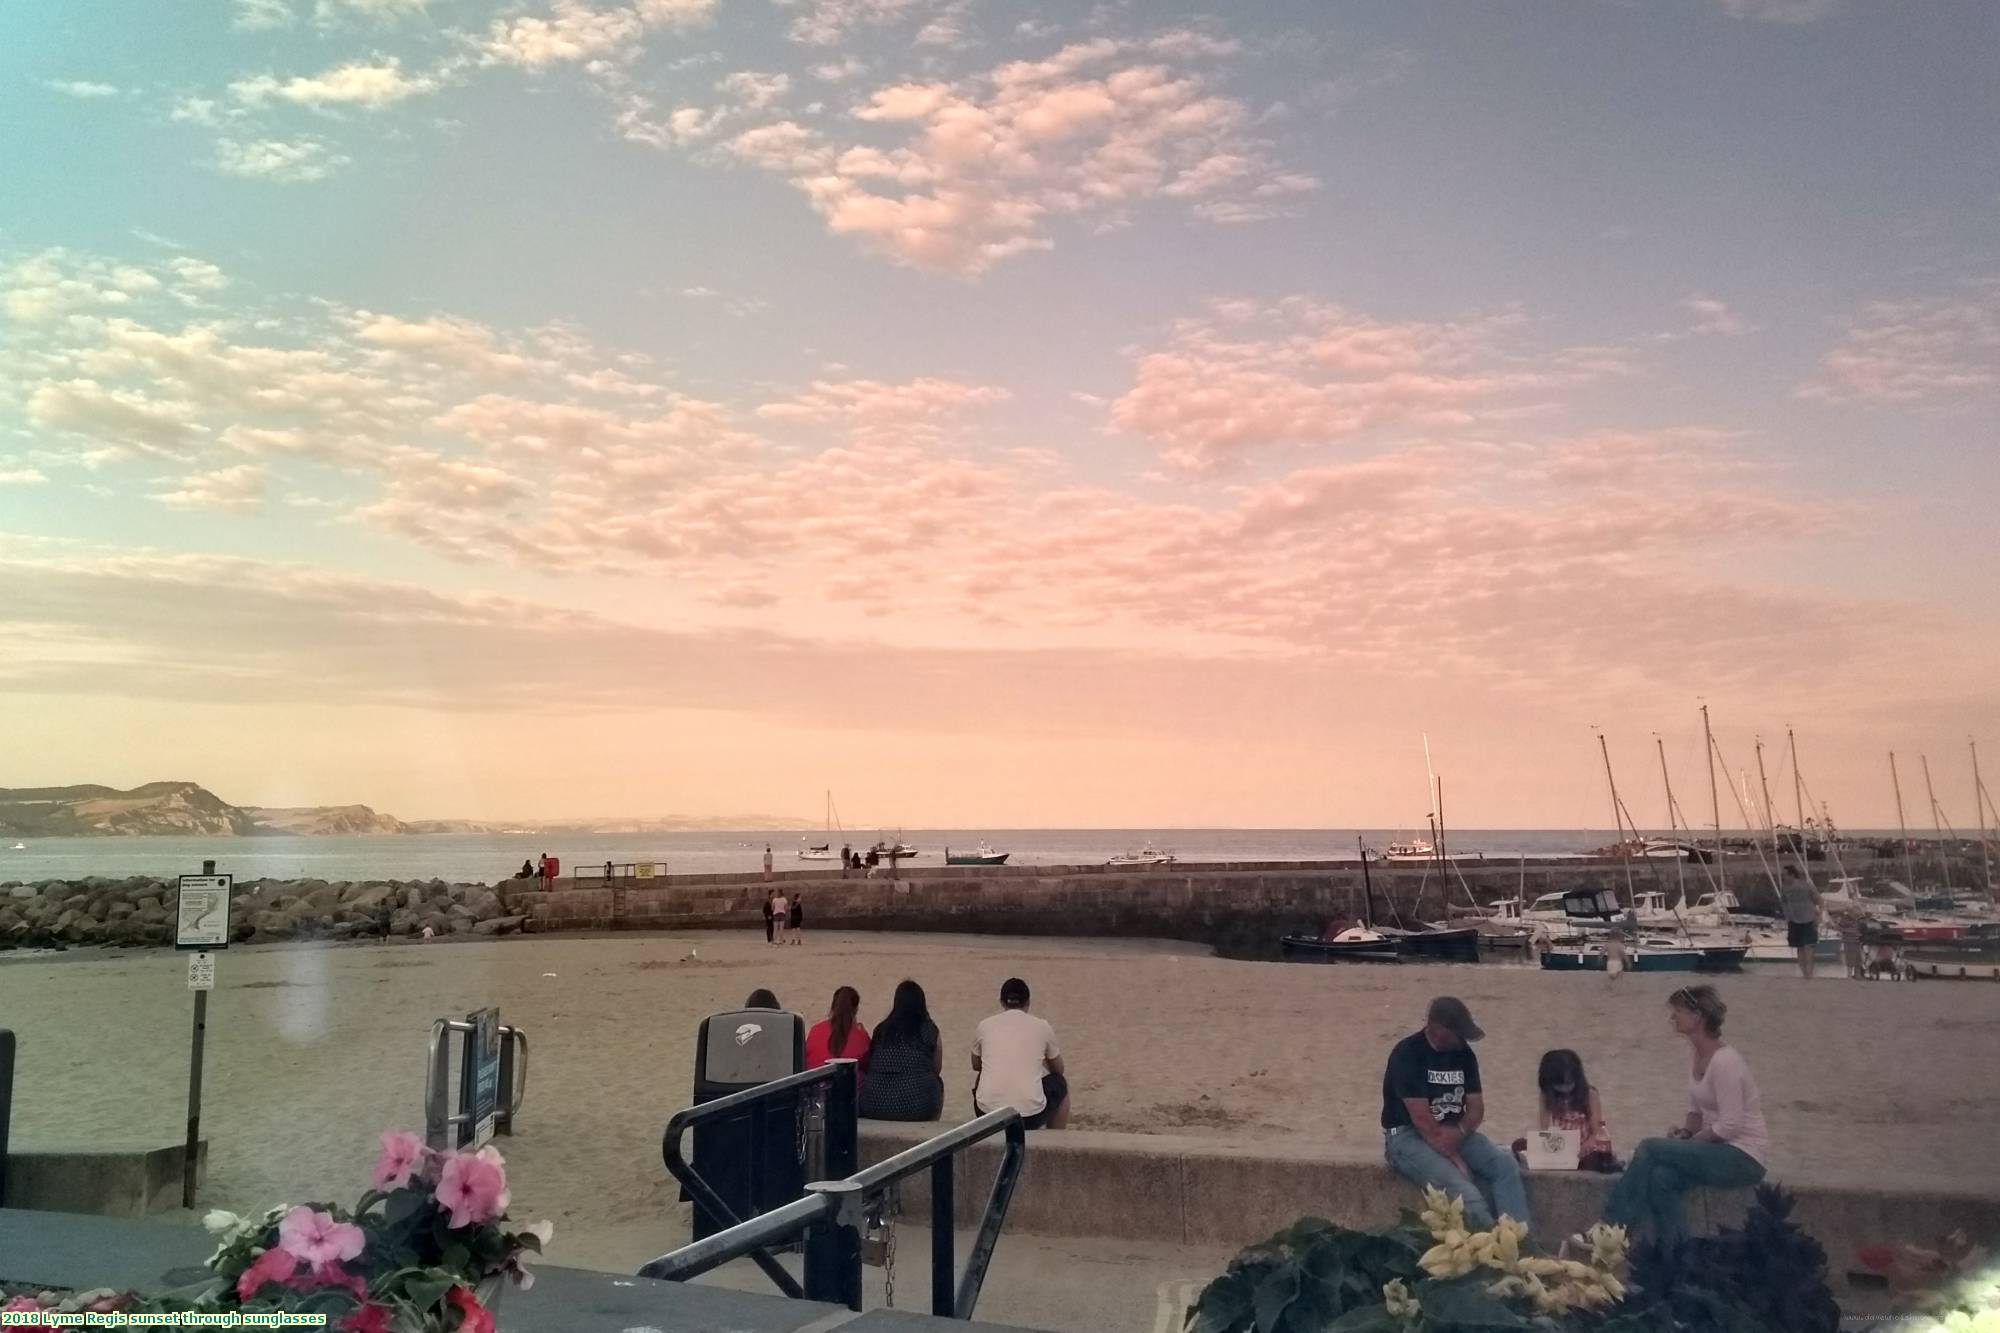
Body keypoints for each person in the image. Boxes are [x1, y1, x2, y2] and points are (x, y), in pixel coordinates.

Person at [1602, 985, 1767, 1244]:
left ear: (1698, 1016)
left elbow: (1731, 1125)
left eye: (1678, 1011)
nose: (1673, 1017)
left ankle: (1610, 1229)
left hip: (1742, 1156)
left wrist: (1691, 1144)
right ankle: (1677, 1256)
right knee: (1660, 1179)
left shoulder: (1725, 1061)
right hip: (1717, 1150)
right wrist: (1684, 1133)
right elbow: (1696, 1110)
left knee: (1650, 1148)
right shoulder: (1697, 1054)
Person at [1381, 996, 1531, 1233]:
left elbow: (1476, 1108)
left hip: (1455, 1129)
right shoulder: (1408, 1054)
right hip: (1407, 1136)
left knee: (1504, 1165)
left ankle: (1521, 1241)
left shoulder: (1464, 1055)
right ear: (1437, 1029)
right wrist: (1455, 1159)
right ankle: (1494, 1251)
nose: (1462, 1040)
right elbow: (1422, 1121)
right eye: (1458, 1034)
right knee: (1464, 1191)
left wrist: (1460, 1131)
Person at [972, 977, 1069, 1129]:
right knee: (1061, 1084)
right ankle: (1055, 1138)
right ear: (1028, 1002)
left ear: (1002, 1003)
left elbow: (976, 1064)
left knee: (984, 1072)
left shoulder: (984, 1025)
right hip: (1029, 1117)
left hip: (986, 1113)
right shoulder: (1042, 1026)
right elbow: (1059, 1070)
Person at [1514, 1049, 1616, 1172]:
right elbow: (1544, 1129)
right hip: (1557, 1146)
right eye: (1559, 1085)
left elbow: (1597, 1132)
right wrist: (1540, 1143)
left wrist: (1586, 1145)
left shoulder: (1589, 1095)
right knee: (1519, 1144)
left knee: (1595, 1160)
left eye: (1568, 1084)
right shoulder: (1547, 1095)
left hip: (1582, 1149)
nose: (1564, 1089)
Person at [860, 979, 944, 1121]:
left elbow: (871, 1062)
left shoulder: (882, 1029)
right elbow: (937, 1068)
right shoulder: (930, 1029)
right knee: (938, 1083)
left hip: (874, 1103)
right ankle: (930, 1126)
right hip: (916, 1106)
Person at [805, 986, 871, 1088]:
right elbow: (869, 1065)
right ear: (856, 1009)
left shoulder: (816, 1030)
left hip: (816, 1090)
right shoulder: (860, 1036)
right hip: (848, 1094)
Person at [1780, 863, 1822, 978]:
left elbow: (1819, 900)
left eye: (1784, 875)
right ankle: (1804, 973)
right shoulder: (1784, 888)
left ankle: (1810, 973)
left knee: (1810, 946)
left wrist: (1819, 916)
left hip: (1809, 918)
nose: (1783, 877)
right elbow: (1784, 902)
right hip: (1794, 920)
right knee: (1799, 947)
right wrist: (1787, 917)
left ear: (1792, 875)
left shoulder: (1806, 886)